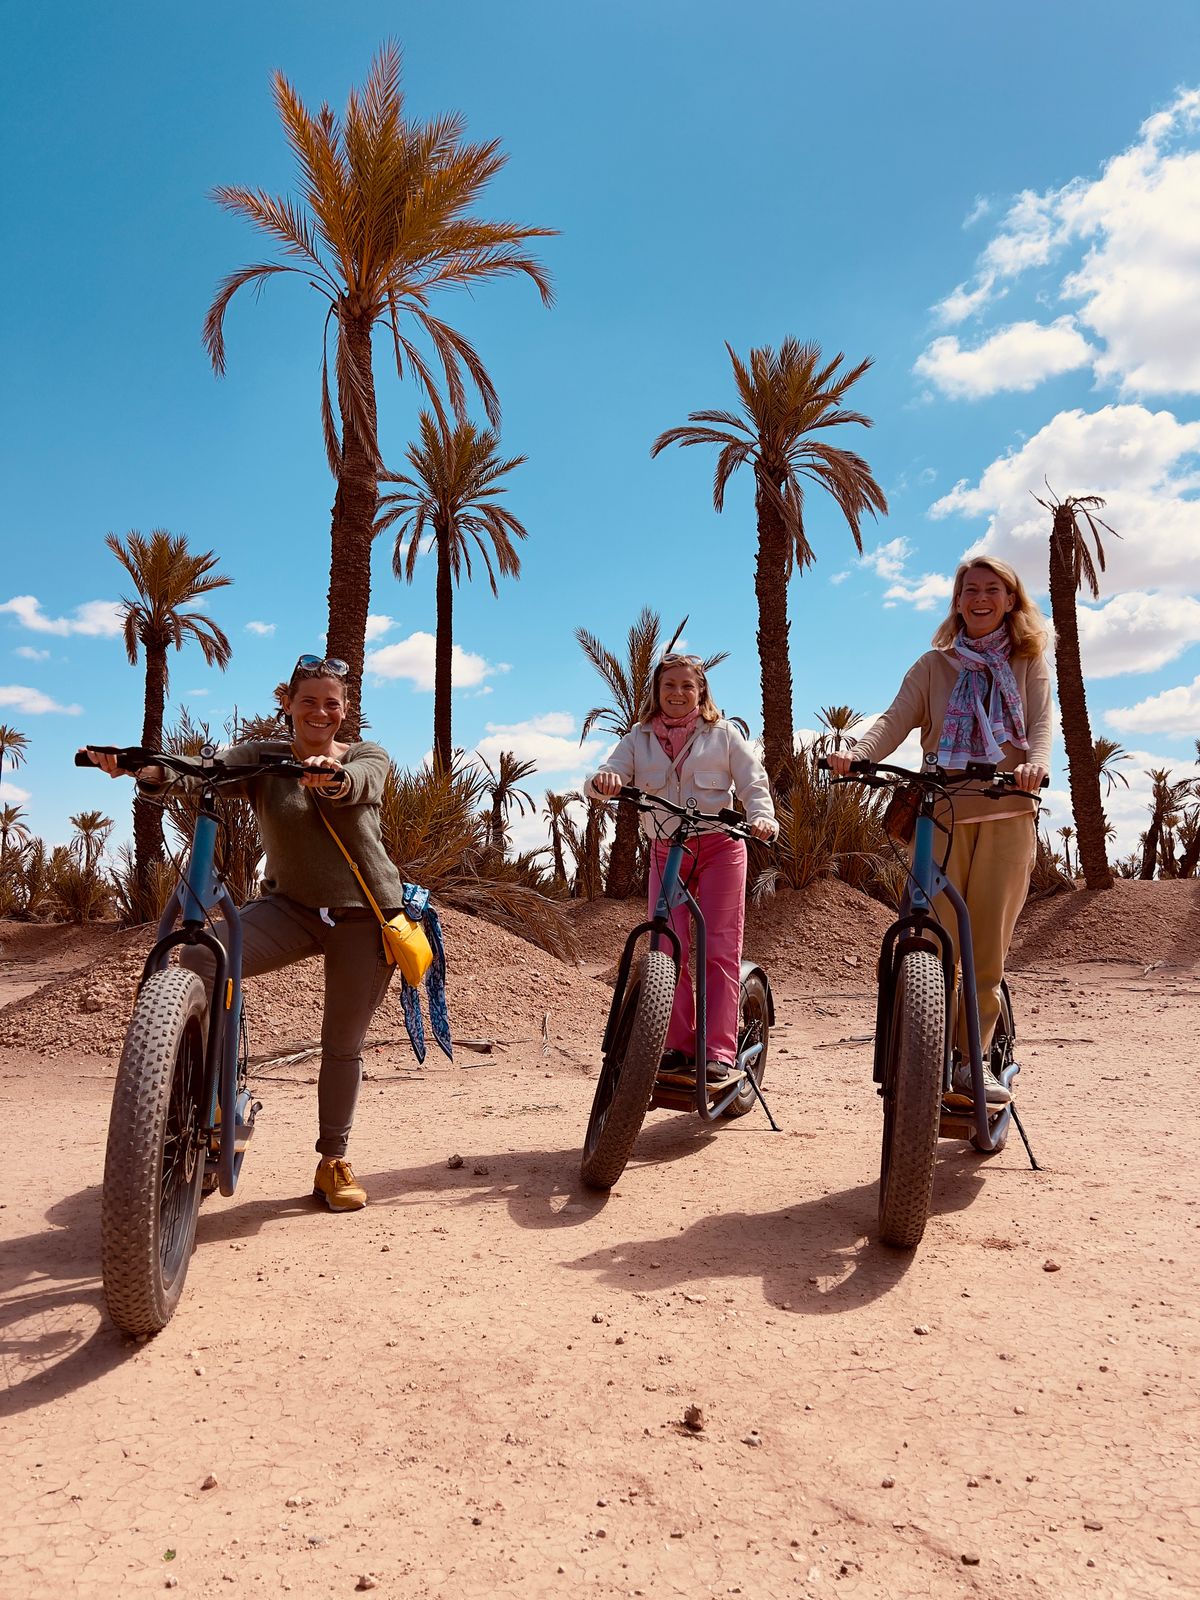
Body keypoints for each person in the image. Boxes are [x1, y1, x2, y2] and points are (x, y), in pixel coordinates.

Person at [82, 653, 403, 1212]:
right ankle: (205, 1101)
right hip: (292, 908)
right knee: (203, 960)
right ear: (289, 705)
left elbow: (361, 785)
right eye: (309, 701)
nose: (320, 712)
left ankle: (332, 1161)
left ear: (345, 710)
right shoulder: (263, 759)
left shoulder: (366, 757)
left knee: (341, 1044)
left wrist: (332, 777)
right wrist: (143, 768)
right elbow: (203, 769)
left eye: (332, 703)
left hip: (362, 913)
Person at [829, 558, 1051, 1106]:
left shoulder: (1028, 661)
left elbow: (1044, 723)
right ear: (956, 601)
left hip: (1006, 811)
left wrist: (1034, 766)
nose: (980, 597)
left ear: (1010, 600)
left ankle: (971, 1063)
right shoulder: (934, 665)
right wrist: (857, 754)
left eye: (991, 589)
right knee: (933, 938)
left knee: (986, 953)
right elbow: (894, 719)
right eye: (969, 589)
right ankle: (927, 1052)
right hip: (941, 812)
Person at [585, 653, 777, 1083]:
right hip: (665, 851)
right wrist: (604, 782)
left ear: (701, 691)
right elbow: (607, 773)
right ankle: (676, 1043)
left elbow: (753, 781)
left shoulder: (723, 735)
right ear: (656, 690)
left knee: (719, 948)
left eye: (687, 686)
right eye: (669, 685)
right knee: (665, 949)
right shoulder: (638, 738)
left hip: (720, 849)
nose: (678, 693)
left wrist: (762, 816)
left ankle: (719, 1051)